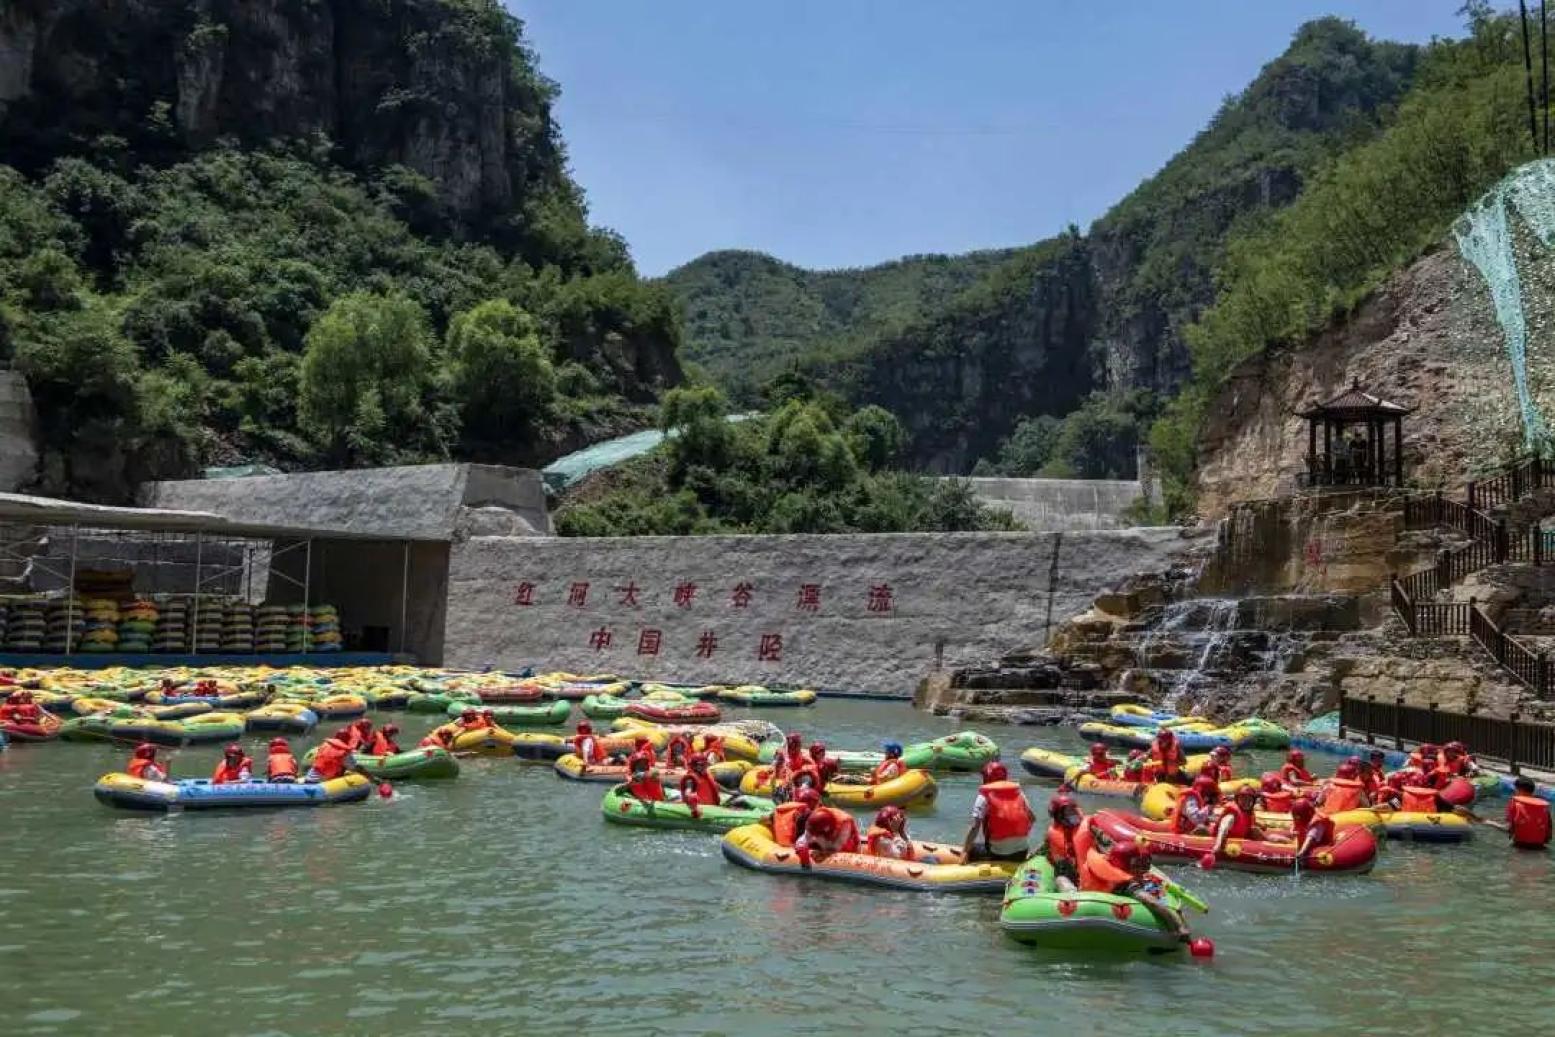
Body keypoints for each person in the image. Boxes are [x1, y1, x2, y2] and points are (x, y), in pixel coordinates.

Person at [963, 761, 1035, 862]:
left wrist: (965, 852)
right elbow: (1032, 818)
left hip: (998, 854)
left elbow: (974, 827)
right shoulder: (1018, 792)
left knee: (972, 849)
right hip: (1022, 852)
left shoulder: (984, 796)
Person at [1486, 776, 1551, 850]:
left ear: (1519, 790)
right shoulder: (1543, 806)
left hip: (1520, 846)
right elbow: (1548, 833)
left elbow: (1508, 828)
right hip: (1540, 847)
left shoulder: (1515, 803)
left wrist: (1491, 823)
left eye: (1515, 789)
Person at [1041, 794, 1086, 889]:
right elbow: (1048, 854)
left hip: (1085, 869)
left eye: (1073, 810)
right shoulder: (1052, 834)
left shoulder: (1087, 827)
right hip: (1066, 872)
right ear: (1058, 815)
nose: (1073, 814)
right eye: (1068, 811)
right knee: (1061, 878)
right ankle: (1072, 895)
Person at [1210, 785, 1265, 856]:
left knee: (1255, 830)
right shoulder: (1232, 814)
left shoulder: (1248, 813)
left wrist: (1259, 825)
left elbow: (1246, 823)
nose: (1246, 802)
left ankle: (1273, 843)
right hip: (1223, 838)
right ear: (1237, 799)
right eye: (1243, 799)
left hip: (1240, 836)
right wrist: (1218, 845)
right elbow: (1223, 827)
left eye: (1249, 799)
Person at [795, 804, 860, 865]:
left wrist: (823, 854)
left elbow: (837, 846)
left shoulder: (845, 823)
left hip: (847, 842)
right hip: (826, 831)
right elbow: (802, 840)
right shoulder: (815, 820)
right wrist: (802, 853)